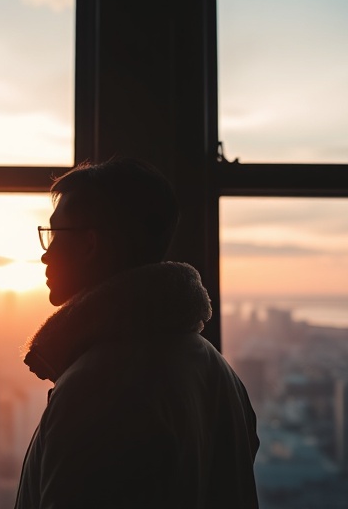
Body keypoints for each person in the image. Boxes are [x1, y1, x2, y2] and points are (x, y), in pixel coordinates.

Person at [15, 158, 260, 509]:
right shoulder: (217, 370)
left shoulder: (97, 388)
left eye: (55, 234)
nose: (45, 254)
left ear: (89, 244)